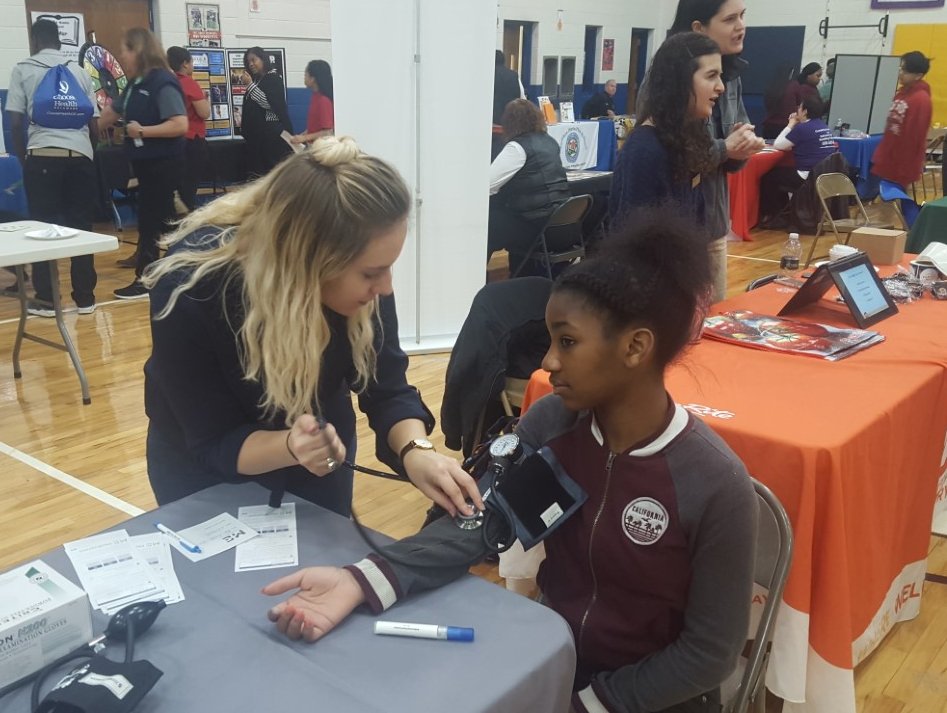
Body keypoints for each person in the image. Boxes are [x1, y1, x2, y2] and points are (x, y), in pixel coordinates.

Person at [262, 207, 758, 713]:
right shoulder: (555, 426)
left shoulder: (714, 485)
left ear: (635, 347)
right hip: (553, 659)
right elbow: (481, 522)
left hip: (651, 698)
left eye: (567, 342)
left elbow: (708, 655)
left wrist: (589, 705)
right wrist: (360, 579)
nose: (547, 362)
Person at [140, 136, 482, 520]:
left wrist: (416, 452)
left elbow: (386, 388)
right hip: (204, 473)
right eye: (372, 273)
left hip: (317, 455)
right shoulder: (191, 287)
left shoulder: (361, 280)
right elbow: (213, 441)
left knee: (324, 565)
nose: (386, 288)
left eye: (389, 268)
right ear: (309, 262)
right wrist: (290, 445)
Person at [655, 0, 764, 302]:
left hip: (714, 225)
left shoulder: (733, 77)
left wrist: (740, 148)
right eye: (730, 19)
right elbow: (672, 154)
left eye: (743, 16)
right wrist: (725, 148)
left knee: (712, 326)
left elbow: (731, 149)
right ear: (698, 28)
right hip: (677, 238)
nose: (741, 26)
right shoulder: (666, 82)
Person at [6, 19, 99, 317]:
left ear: (34, 41)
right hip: (80, 155)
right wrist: (87, 154)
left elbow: (16, 122)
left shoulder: (23, 68)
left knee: (43, 227)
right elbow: (94, 124)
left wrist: (25, 159)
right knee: (82, 226)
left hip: (42, 154)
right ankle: (86, 298)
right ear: (59, 42)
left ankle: (47, 299)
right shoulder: (80, 72)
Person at [608, 33, 723, 233]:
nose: (721, 86)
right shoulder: (645, 150)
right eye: (711, 76)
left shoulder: (688, 138)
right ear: (680, 81)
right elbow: (633, 244)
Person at [488, 99, 570, 274]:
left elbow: (487, 185)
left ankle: (475, 280)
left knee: (487, 225)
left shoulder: (517, 147)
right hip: (560, 224)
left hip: (536, 226)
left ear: (509, 123)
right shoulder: (550, 141)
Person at [758, 94, 836, 228]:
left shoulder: (803, 128)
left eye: (799, 107)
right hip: (823, 176)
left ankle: (775, 217)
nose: (797, 110)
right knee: (780, 174)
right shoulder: (824, 127)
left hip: (807, 176)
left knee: (769, 177)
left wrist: (791, 124)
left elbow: (778, 144)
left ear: (805, 111)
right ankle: (785, 213)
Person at [871, 51, 933, 190]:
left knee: (899, 203)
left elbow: (914, 137)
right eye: (900, 68)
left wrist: (904, 166)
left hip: (902, 163)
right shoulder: (902, 93)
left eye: (905, 70)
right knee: (888, 202)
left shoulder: (921, 99)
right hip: (889, 157)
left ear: (918, 75)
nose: (900, 72)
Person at [166, 46, 210, 212]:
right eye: (191, 61)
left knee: (180, 181)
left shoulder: (169, 83)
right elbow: (203, 112)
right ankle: (187, 214)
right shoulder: (189, 84)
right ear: (185, 64)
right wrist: (206, 101)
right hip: (192, 139)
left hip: (173, 140)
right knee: (189, 185)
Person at [241, 47, 293, 177]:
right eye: (248, 62)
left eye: (254, 60)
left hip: (270, 137)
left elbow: (269, 104)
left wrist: (250, 86)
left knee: (270, 172)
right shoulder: (258, 80)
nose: (251, 64)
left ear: (263, 59)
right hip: (257, 137)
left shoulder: (273, 79)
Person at [762, 63, 821, 140]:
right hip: (786, 126)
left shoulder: (771, 86)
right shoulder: (794, 85)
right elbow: (801, 104)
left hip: (769, 126)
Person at [292, 60, 334, 145]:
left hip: (320, 148)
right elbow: (316, 126)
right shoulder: (315, 96)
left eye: (305, 75)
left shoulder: (324, 100)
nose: (304, 78)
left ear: (312, 79)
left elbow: (328, 132)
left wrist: (305, 138)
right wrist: (304, 134)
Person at [493, 49, 525, 125]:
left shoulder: (487, 74)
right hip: (510, 119)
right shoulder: (514, 75)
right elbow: (522, 96)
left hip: (492, 120)